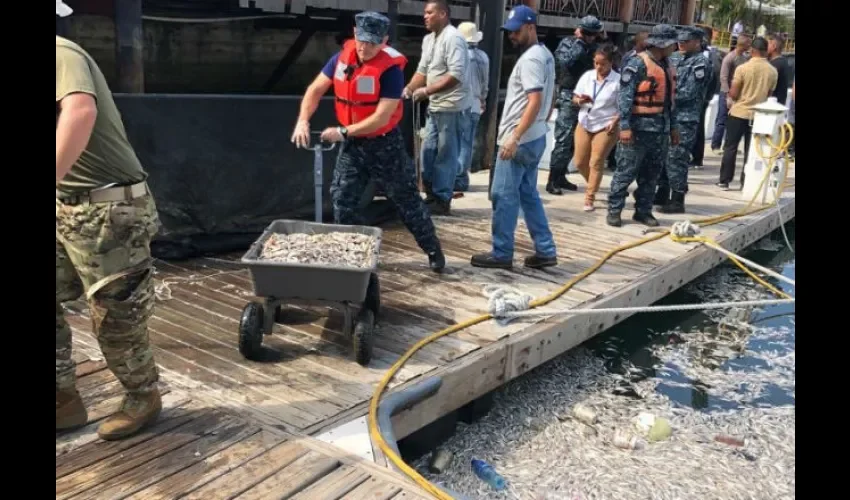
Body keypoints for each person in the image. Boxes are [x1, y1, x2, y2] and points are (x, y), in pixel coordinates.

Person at [56, 0, 163, 440]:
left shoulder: (61, 52)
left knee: (116, 315)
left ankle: (143, 397)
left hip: (109, 211)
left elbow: (81, 111)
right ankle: (63, 400)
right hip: (64, 204)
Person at [291, 11, 446, 271]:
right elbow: (315, 90)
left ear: (384, 40)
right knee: (342, 198)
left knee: (406, 200)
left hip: (384, 144)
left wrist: (343, 132)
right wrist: (303, 120)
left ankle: (432, 250)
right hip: (354, 146)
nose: (365, 47)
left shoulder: (390, 71)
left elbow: (381, 116)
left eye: (373, 42)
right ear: (354, 34)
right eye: (362, 40)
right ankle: (353, 252)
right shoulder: (341, 58)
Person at [470, 5, 557, 270]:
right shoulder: (545, 55)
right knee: (528, 195)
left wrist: (514, 137)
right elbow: (548, 98)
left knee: (502, 195)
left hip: (519, 139)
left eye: (516, 30)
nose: (511, 36)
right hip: (536, 135)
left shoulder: (530, 58)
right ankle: (545, 250)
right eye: (509, 31)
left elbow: (534, 100)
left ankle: (501, 252)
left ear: (531, 27)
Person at [606, 24, 679, 228]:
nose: (675, 46)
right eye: (672, 42)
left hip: (660, 130)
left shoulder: (667, 65)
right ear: (662, 44)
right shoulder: (637, 64)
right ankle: (614, 210)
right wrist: (626, 127)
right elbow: (625, 98)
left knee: (651, 174)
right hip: (638, 129)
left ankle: (643, 211)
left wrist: (673, 128)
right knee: (625, 172)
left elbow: (670, 102)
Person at [402, 0, 469, 215]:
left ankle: (442, 199)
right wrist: (409, 89)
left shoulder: (454, 38)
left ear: (443, 14)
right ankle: (431, 195)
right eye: (425, 12)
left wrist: (427, 91)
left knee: (445, 154)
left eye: (429, 12)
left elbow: (456, 75)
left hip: (452, 107)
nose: (425, 16)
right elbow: (422, 70)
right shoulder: (428, 39)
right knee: (427, 151)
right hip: (435, 106)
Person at [654, 27, 711, 214]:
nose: (681, 44)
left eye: (686, 41)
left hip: (685, 118)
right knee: (662, 155)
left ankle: (677, 198)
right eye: (680, 41)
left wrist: (663, 94)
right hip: (668, 115)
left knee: (677, 157)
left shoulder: (701, 62)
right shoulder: (674, 58)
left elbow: (689, 92)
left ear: (697, 42)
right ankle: (661, 192)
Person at [547, 15, 606, 195]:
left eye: (593, 34)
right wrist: (581, 43)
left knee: (576, 142)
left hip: (589, 97)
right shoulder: (568, 43)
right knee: (563, 140)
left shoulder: (596, 47)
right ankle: (553, 179)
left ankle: (562, 175)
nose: (590, 37)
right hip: (569, 94)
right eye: (587, 33)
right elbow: (566, 62)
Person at [717, 36, 778, 189]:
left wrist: (731, 96)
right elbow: (769, 94)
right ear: (765, 51)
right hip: (758, 115)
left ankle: (725, 180)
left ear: (752, 51)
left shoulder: (742, 68)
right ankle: (746, 181)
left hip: (739, 112)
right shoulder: (772, 71)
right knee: (751, 150)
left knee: (730, 147)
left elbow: (734, 92)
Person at [571, 45, 620, 211]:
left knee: (596, 161)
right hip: (585, 120)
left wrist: (616, 120)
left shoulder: (618, 81)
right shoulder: (587, 76)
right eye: (596, 63)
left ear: (611, 63)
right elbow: (574, 98)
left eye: (602, 64)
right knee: (579, 161)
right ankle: (593, 183)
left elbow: (624, 106)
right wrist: (580, 101)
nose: (598, 67)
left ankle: (589, 197)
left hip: (606, 124)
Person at [455, 21, 490, 193]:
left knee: (455, 141)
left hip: (459, 103)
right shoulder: (483, 57)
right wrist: (483, 99)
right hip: (475, 104)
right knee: (467, 142)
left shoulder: (458, 56)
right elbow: (485, 84)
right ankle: (462, 176)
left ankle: (457, 176)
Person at [711, 34, 751, 153]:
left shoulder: (744, 58)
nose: (750, 46)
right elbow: (723, 78)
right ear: (742, 44)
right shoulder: (729, 58)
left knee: (733, 121)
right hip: (726, 93)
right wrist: (728, 94)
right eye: (748, 43)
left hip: (738, 94)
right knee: (721, 120)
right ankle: (715, 145)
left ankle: (728, 145)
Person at [690, 27, 721, 169]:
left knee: (698, 128)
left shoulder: (710, 55)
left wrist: (707, 97)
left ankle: (697, 158)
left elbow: (714, 76)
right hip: (690, 99)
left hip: (701, 99)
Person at [767, 34, 792, 105]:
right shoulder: (784, 61)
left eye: (768, 44)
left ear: (774, 47)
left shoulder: (775, 65)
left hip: (772, 105)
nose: (766, 47)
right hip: (780, 103)